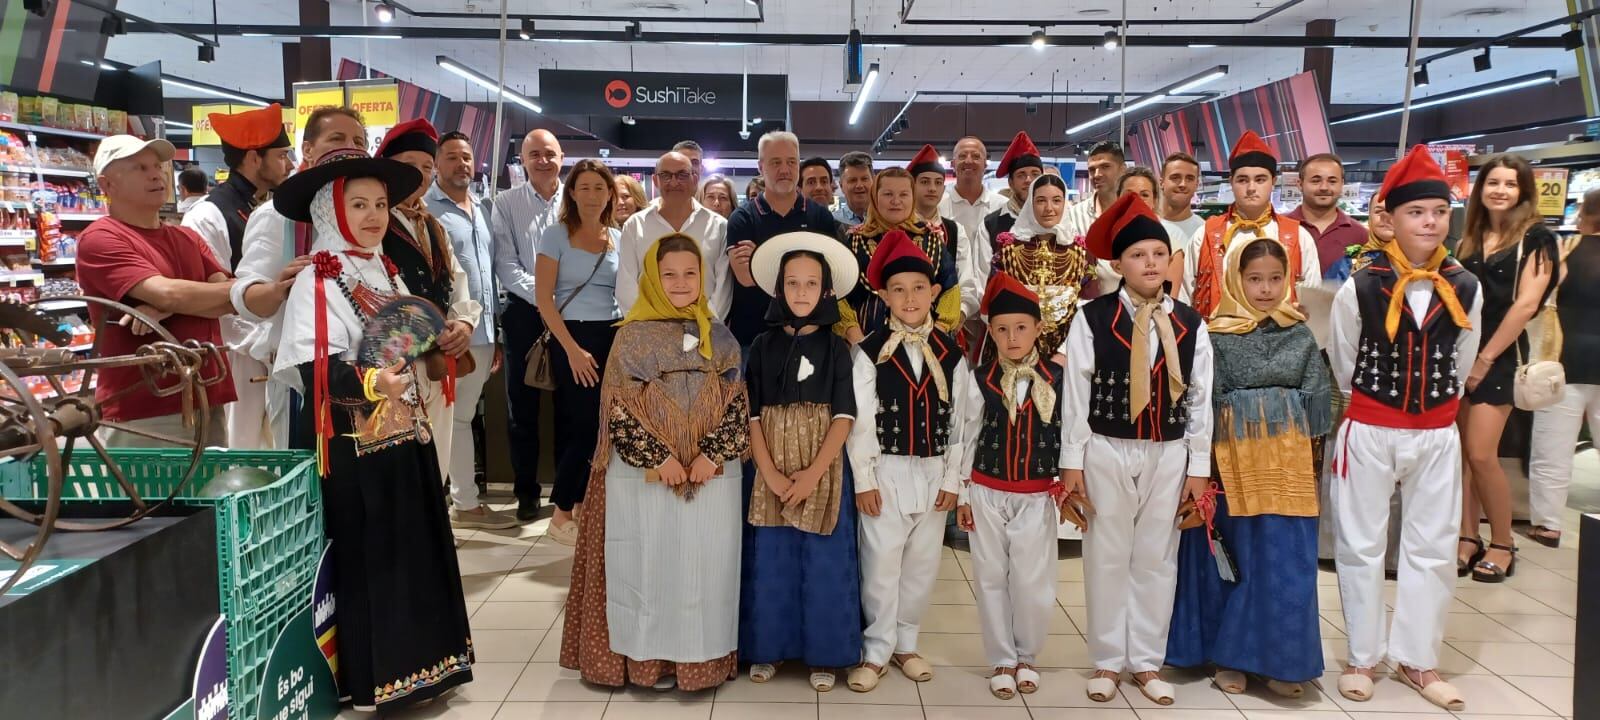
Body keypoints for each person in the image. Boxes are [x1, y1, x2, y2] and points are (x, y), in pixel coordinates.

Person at [269, 147, 473, 712]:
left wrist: (425, 347)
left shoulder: (384, 268)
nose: (373, 215)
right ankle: (373, 677)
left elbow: (403, 338)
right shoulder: (317, 280)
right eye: (357, 205)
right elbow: (312, 367)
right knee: (372, 554)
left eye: (380, 204)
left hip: (403, 432)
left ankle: (425, 668)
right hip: (354, 443)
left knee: (410, 547)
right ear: (331, 212)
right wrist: (370, 380)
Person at [1328, 145, 1481, 710]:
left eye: (1439, 212)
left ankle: (1418, 656)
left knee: (1433, 545)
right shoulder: (1361, 285)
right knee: (1361, 543)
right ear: (1390, 219)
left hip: (1436, 432)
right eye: (1417, 212)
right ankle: (1363, 655)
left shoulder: (1465, 285)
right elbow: (1345, 360)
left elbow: (1462, 360)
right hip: (1371, 425)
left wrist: (1433, 408)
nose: (1430, 222)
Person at [561, 233, 748, 692]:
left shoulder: (720, 336)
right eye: (669, 274)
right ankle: (647, 663)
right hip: (644, 476)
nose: (680, 283)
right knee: (647, 566)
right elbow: (617, 409)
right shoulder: (629, 337)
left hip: (708, 477)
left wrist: (711, 454)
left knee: (702, 570)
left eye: (690, 273)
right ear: (651, 279)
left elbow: (737, 404)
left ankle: (698, 663)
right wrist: (658, 456)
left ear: (704, 277)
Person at [1062, 193, 1213, 706]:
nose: (1150, 263)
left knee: (1156, 556)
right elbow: (1076, 393)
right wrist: (1072, 460)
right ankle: (1108, 659)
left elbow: (1200, 398)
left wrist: (1198, 466)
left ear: (1170, 260)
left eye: (1158, 253)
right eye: (1137, 255)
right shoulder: (1092, 317)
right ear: (1118, 264)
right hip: (1106, 445)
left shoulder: (1191, 323)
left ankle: (1146, 660)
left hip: (1168, 450)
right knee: (1106, 554)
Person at [1166, 235, 1331, 698]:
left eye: (1275, 279)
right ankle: (1229, 658)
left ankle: (1281, 661)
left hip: (1288, 470)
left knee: (1283, 563)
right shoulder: (1214, 336)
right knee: (1232, 562)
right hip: (1230, 467)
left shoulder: (1300, 333)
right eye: (1254, 279)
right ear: (1235, 279)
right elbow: (1203, 402)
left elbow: (1319, 404)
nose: (1265, 289)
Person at [844, 231, 976, 693]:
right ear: (883, 296)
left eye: (919, 288)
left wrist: (955, 479)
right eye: (898, 290)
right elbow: (860, 421)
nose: (910, 298)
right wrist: (864, 479)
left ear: (934, 292)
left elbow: (964, 419)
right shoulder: (869, 352)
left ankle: (907, 643)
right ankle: (876, 648)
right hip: (887, 470)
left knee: (922, 564)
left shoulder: (952, 353)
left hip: (935, 470)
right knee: (881, 564)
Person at [740, 230, 861, 693]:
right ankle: (768, 648)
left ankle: (824, 654)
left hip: (821, 466)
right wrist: (769, 472)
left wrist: (812, 474)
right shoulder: (760, 346)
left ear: (826, 290)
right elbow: (752, 415)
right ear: (779, 288)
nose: (802, 292)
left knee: (823, 562)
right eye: (793, 283)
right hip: (768, 463)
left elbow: (844, 416)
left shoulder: (837, 348)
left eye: (812, 283)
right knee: (772, 560)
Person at [954, 272, 1066, 700]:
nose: (1012, 337)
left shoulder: (1057, 378)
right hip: (986, 489)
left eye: (1021, 327)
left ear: (1038, 328)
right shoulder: (980, 378)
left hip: (1036, 493)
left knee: (1032, 579)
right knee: (989, 576)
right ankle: (1001, 657)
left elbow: (1070, 432)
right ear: (991, 333)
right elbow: (966, 435)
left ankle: (1027, 655)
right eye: (1002, 329)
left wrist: (1069, 485)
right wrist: (963, 493)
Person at [231, 106, 367, 450]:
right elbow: (245, 295)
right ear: (307, 149)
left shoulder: (369, 218)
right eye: (336, 138)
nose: (349, 148)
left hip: (365, 379)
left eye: (358, 141)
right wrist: (278, 289)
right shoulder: (277, 216)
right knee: (308, 470)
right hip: (302, 382)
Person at [1456, 153, 1559, 582]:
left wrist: (1483, 360)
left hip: (1500, 355)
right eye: (1493, 182)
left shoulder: (1536, 238)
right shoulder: (1470, 235)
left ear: (1523, 191)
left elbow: (1526, 305)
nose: (1500, 190)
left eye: (1510, 184)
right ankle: (1467, 536)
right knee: (1462, 456)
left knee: (1482, 453)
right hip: (1461, 350)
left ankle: (1502, 542)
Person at [376, 119, 482, 486]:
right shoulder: (376, 223)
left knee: (438, 456)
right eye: (409, 165)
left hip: (439, 362)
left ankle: (434, 518)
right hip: (394, 364)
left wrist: (464, 322)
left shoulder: (432, 224)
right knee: (402, 462)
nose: (419, 175)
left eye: (425, 166)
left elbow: (456, 279)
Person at [182, 104, 295, 450]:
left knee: (277, 448)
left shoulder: (272, 208)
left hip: (274, 352)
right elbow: (210, 298)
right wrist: (263, 344)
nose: (290, 164)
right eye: (281, 156)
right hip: (235, 356)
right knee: (241, 450)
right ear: (253, 158)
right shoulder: (207, 216)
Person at [425, 131, 513, 530]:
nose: (461, 164)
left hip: (482, 333)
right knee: (445, 420)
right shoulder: (427, 210)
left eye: (467, 157)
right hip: (447, 335)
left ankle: (461, 501)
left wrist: (495, 336)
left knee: (460, 418)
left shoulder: (482, 208)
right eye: (452, 157)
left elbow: (488, 274)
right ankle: (456, 503)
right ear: (436, 164)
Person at [536, 159, 623, 545]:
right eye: (584, 187)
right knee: (582, 425)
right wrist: (571, 349)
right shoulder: (556, 235)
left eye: (599, 188)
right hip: (572, 336)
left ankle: (586, 504)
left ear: (610, 194)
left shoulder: (618, 236)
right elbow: (544, 298)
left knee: (604, 426)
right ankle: (560, 513)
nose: (592, 195)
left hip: (612, 335)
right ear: (571, 192)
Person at [493, 128, 565, 522]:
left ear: (562, 157)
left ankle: (568, 493)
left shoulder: (576, 199)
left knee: (570, 408)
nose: (543, 161)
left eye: (549, 153)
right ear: (523, 160)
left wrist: (560, 302)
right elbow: (505, 264)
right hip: (524, 314)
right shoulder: (505, 203)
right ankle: (526, 493)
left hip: (572, 314)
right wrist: (544, 298)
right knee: (522, 409)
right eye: (534, 154)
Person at [1527, 188, 1600, 548]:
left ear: (1584, 213)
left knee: (1552, 450)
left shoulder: (1565, 249)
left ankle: (1548, 524)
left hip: (1561, 361)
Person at [1183, 131, 1319, 317]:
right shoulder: (1205, 234)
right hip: (1215, 333)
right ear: (1231, 182)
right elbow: (1185, 298)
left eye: (1260, 179)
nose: (1251, 188)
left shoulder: (1299, 236)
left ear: (1273, 182)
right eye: (1243, 180)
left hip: (1281, 335)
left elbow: (1312, 305)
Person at [724, 131, 839, 349]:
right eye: (776, 162)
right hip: (752, 340)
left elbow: (826, 277)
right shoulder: (742, 218)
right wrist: (803, 271)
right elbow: (745, 277)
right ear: (761, 167)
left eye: (791, 162)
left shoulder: (820, 217)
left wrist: (760, 261)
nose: (785, 170)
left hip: (810, 337)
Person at [837, 170, 960, 343]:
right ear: (875, 197)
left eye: (904, 194)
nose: (896, 201)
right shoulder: (856, 240)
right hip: (867, 337)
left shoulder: (931, 238)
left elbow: (950, 288)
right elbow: (839, 293)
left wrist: (937, 333)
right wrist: (856, 337)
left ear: (913, 197)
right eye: (888, 194)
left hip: (926, 338)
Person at [983, 174, 1095, 361]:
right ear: (1031, 203)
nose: (1049, 208)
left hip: (1067, 349)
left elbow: (1089, 304)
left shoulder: (1081, 252)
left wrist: (1065, 351)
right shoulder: (1008, 250)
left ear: (1065, 203)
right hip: (1015, 346)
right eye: (1041, 201)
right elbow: (996, 303)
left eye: (1056, 200)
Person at [616, 151, 730, 318]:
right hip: (649, 327)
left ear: (695, 179)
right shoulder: (635, 226)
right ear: (655, 180)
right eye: (666, 175)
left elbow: (723, 287)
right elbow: (626, 287)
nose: (674, 182)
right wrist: (647, 326)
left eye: (682, 175)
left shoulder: (719, 226)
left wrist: (704, 323)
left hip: (705, 327)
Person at [908, 144, 980, 319]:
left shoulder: (954, 230)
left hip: (947, 320)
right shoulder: (898, 228)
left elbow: (967, 281)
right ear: (912, 185)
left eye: (938, 183)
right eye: (925, 182)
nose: (932, 188)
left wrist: (959, 314)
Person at [1102, 166, 1189, 297]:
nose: (1136, 200)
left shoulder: (1171, 245)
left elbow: (1170, 301)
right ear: (1118, 199)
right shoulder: (1102, 239)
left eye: (1144, 195)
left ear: (1154, 201)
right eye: (1129, 194)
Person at [1287, 153, 1367, 280]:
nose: (1324, 187)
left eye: (1332, 181)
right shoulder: (1279, 226)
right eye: (1316, 181)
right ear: (1300, 184)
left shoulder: (1360, 235)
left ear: (1342, 184)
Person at [981, 132, 1045, 245]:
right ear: (1011, 183)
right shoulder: (991, 225)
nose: (1029, 180)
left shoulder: (1058, 220)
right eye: (1021, 175)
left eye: (1035, 174)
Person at [1063, 141, 1126, 237]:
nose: (1097, 174)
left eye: (1105, 167)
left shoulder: (1135, 212)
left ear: (1123, 169)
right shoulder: (1074, 215)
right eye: (1092, 169)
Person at [1159, 152, 1204, 243]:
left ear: (1196, 185)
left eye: (1189, 179)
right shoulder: (1145, 226)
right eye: (1175, 178)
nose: (1183, 184)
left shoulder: (1204, 231)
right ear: (1161, 183)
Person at [836, 151, 873, 226]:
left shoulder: (888, 220)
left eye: (864, 179)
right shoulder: (832, 222)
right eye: (852, 180)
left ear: (874, 182)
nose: (859, 185)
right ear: (841, 186)